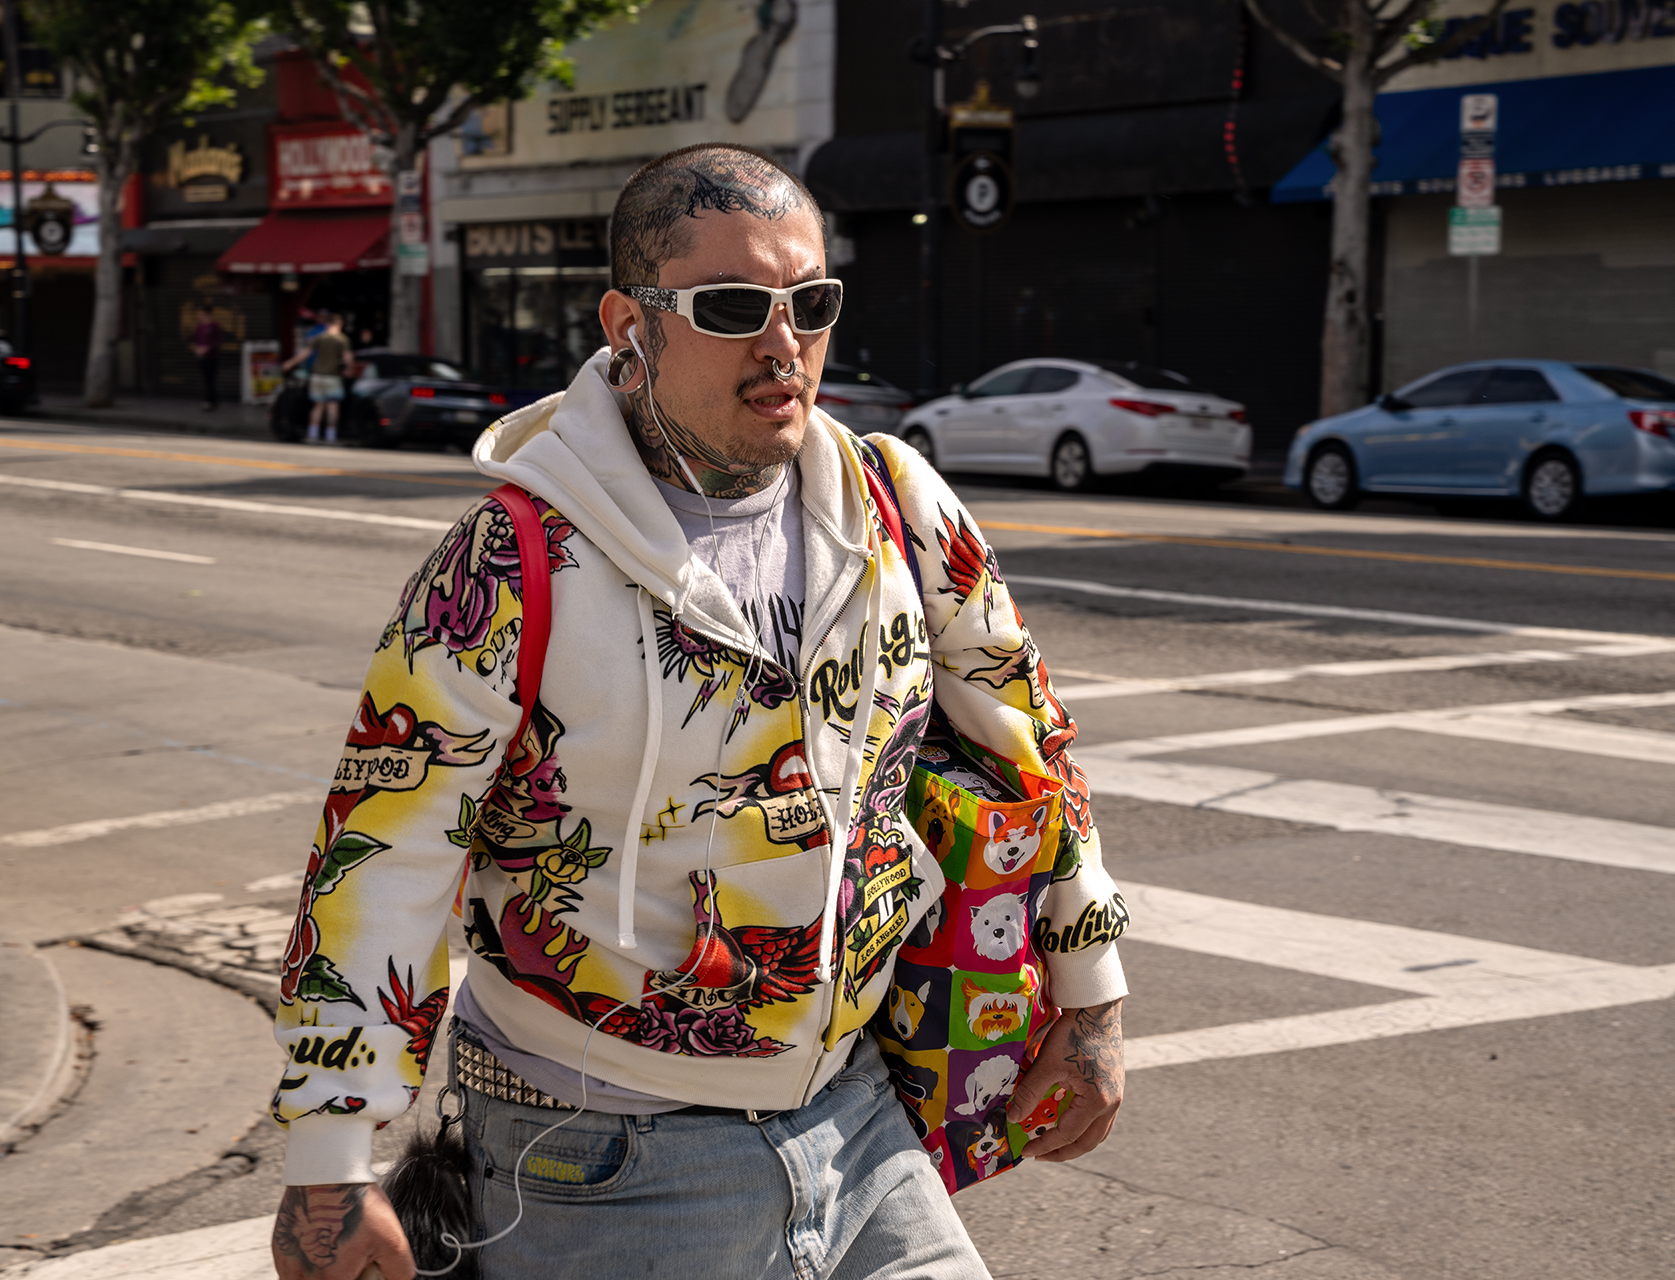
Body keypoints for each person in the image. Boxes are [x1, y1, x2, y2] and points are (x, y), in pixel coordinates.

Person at [268, 144, 1127, 1280]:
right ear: (631, 325)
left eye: (810, 303)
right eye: (731, 307)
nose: (783, 345)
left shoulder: (897, 504)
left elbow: (1029, 735)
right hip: (599, 1157)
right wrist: (329, 1161)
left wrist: (1092, 996)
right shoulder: (511, 563)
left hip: (862, 1118)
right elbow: (386, 848)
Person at [284, 312, 351, 443]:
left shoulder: (320, 337)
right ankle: (331, 436)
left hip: (317, 376)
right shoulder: (342, 339)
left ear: (327, 324)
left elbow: (305, 353)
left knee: (318, 406)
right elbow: (347, 357)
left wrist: (290, 363)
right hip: (332, 377)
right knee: (332, 406)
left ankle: (312, 434)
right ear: (339, 324)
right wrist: (349, 369)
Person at [190, 304, 227, 411]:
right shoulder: (199, 326)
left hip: (212, 357)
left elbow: (218, 341)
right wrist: (197, 349)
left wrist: (207, 348)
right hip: (202, 357)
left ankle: (209, 401)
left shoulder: (214, 326)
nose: (199, 315)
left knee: (211, 379)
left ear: (206, 313)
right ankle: (213, 400)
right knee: (206, 379)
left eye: (201, 313)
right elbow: (196, 340)